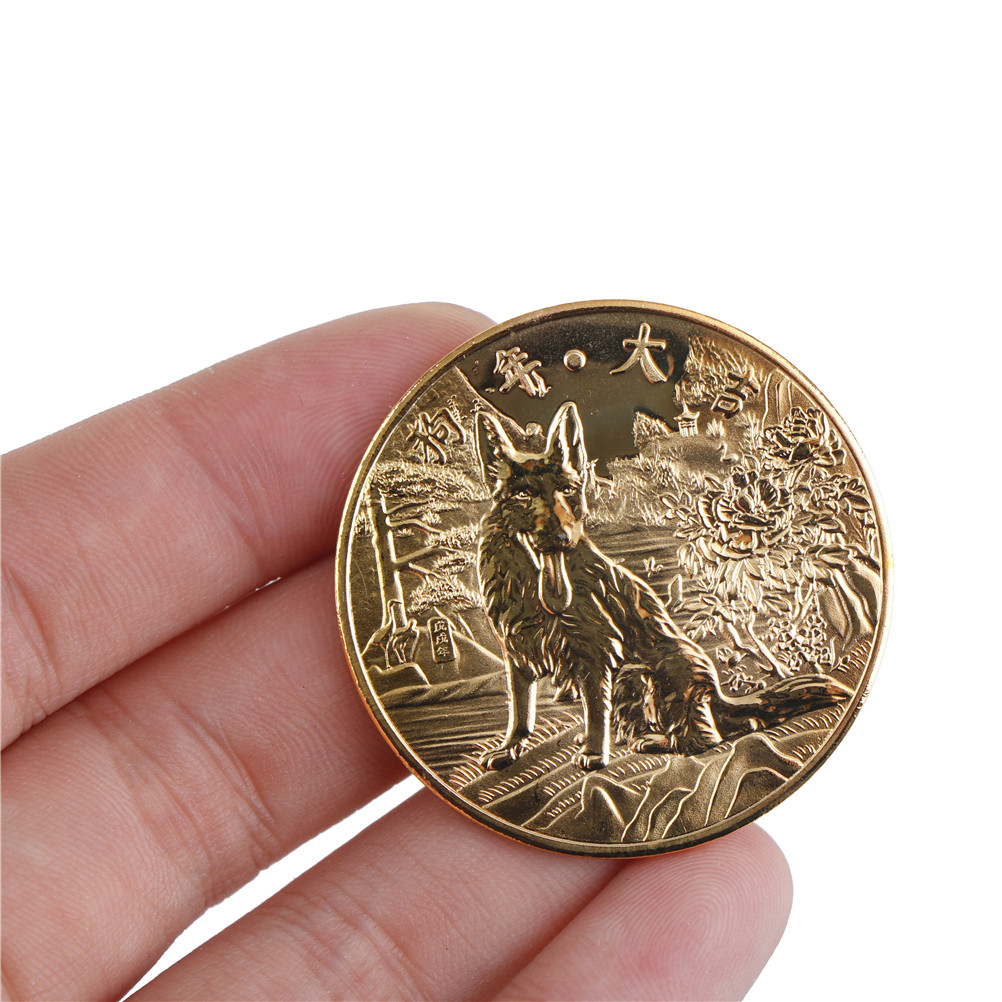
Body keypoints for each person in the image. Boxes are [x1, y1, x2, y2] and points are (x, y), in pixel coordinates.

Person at [1, 304, 792, 1001]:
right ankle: (531, 735)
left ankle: (633, 738)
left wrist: (595, 755)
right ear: (503, 494)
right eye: (531, 499)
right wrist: (517, 738)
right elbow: (521, 656)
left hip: (664, 682)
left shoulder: (583, 563)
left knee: (635, 680)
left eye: (562, 498)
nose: (555, 517)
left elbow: (601, 660)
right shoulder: (507, 561)